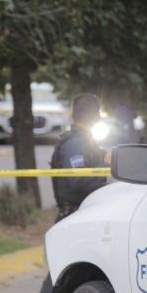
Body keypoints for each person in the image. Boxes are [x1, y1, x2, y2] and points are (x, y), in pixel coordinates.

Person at [50, 93, 107, 222]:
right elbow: (78, 182)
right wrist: (106, 167)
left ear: (73, 114)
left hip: (83, 214)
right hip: (74, 217)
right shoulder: (75, 144)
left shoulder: (86, 141)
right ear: (96, 116)